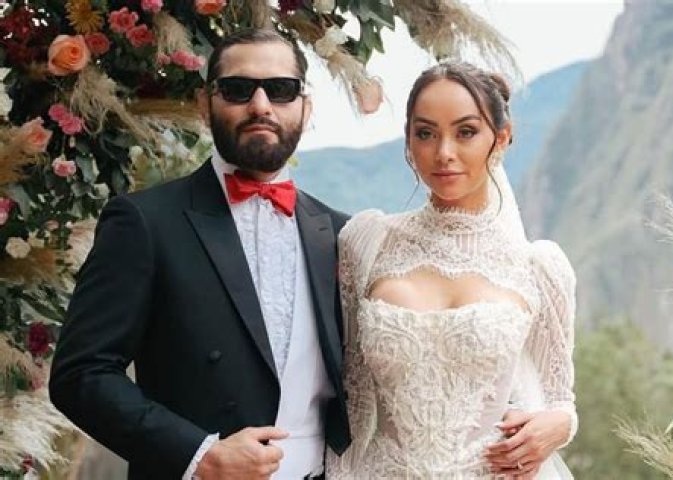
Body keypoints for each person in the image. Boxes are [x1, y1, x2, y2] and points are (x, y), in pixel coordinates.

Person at [49, 29, 350, 480]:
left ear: (305, 107)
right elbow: (80, 374)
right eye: (237, 89)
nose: (261, 106)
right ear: (205, 105)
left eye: (281, 89)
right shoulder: (144, 222)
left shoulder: (341, 233)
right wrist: (199, 455)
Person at [325, 61, 578, 479]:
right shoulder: (367, 242)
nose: (444, 152)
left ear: (501, 138)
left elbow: (559, 397)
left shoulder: (539, 266)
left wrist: (561, 425)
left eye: (466, 132)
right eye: (426, 133)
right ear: (408, 141)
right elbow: (352, 393)